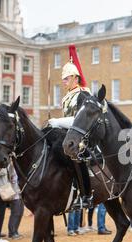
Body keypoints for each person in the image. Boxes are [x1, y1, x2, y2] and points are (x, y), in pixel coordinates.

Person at [49, 45, 93, 210]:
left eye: (66, 79)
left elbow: (78, 119)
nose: (64, 82)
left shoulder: (83, 94)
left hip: (83, 136)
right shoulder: (67, 96)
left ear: (75, 78)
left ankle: (86, 194)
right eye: (63, 79)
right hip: (69, 135)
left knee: (77, 155)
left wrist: (58, 121)